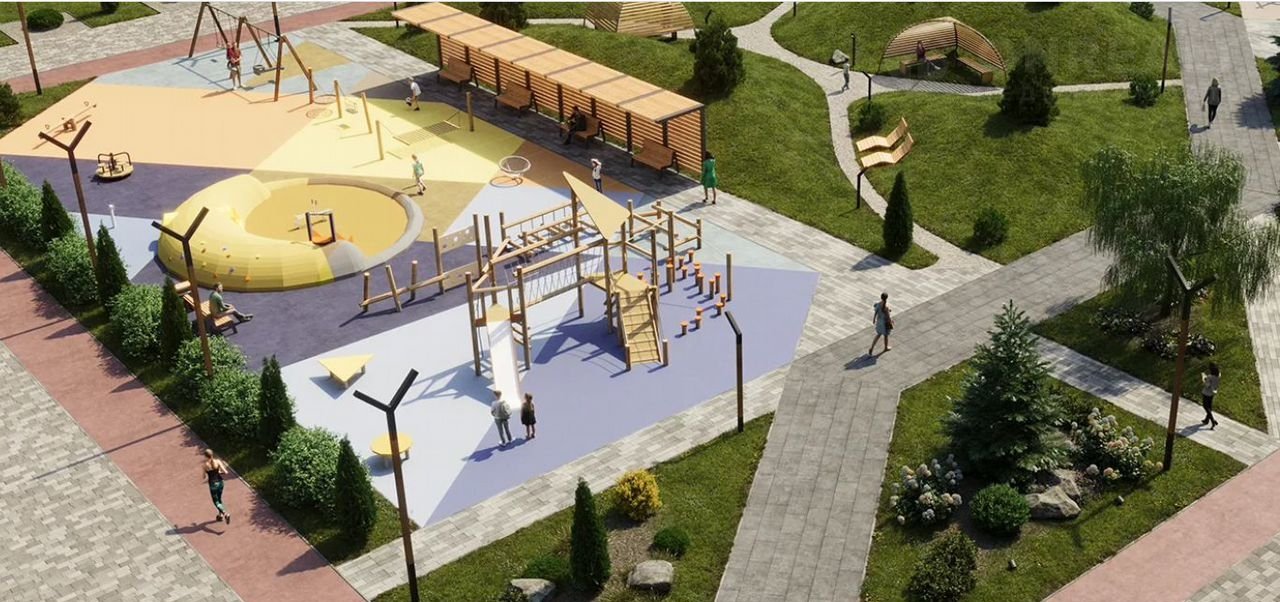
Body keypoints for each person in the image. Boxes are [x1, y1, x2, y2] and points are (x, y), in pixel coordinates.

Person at [202, 449, 231, 524]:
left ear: (205, 456)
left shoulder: (205, 465)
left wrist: (207, 473)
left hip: (213, 485)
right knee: (219, 499)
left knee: (216, 501)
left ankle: (225, 513)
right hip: (220, 483)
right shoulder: (218, 461)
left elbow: (203, 477)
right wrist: (218, 472)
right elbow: (226, 472)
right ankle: (220, 515)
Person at [1201, 362, 1221, 429]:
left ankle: (1213, 421)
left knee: (1206, 407)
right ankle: (1206, 420)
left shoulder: (1210, 377)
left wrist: (1204, 378)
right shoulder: (1219, 376)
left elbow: (1207, 385)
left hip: (1206, 393)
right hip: (1212, 393)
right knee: (1209, 406)